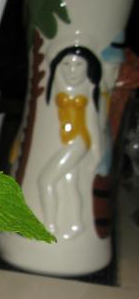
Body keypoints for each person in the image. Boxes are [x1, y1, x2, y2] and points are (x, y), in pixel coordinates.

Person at [38, 46, 102, 239]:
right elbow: (52, 60)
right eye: (66, 64)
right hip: (69, 142)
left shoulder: (90, 89)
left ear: (88, 66)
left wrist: (97, 153)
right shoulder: (61, 84)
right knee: (69, 183)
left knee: (46, 180)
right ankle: (76, 224)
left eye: (78, 64)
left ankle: (49, 225)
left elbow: (93, 123)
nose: (71, 70)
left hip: (78, 142)